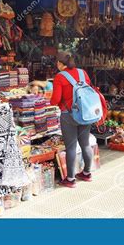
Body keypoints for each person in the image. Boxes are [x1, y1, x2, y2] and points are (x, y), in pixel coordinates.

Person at [50, 51, 93, 188]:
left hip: (68, 115)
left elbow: (56, 99)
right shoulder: (83, 73)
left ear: (59, 63)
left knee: (71, 147)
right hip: (85, 113)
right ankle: (86, 173)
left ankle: (70, 179)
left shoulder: (59, 77)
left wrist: (51, 101)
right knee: (85, 144)